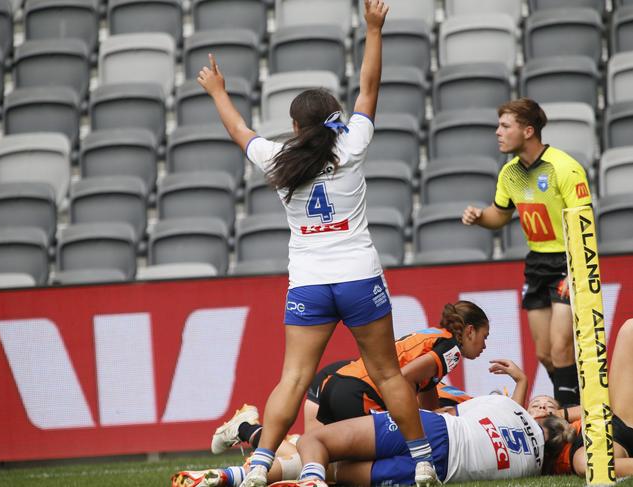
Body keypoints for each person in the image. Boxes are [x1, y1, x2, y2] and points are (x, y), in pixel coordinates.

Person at [196, 1, 440, 486]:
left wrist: (218, 91)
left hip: (309, 283)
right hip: (358, 276)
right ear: (333, 120)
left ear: (294, 127)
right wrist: (373, 28)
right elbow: (369, 88)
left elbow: (238, 131)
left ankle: (259, 467)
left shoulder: (276, 158)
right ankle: (424, 462)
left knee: (292, 379)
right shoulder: (351, 144)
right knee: (389, 374)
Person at [172, 363, 538, 487]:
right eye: (541, 400)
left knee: (328, 465)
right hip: (367, 394)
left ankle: (232, 467)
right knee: (314, 445)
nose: (541, 405)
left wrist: (521, 389)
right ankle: (248, 431)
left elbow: (520, 421)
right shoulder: (467, 400)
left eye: (545, 405)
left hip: (402, 417)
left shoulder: (481, 409)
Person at [210, 302, 490, 455]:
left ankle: (245, 429)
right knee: (347, 462)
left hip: (340, 383)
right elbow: (404, 379)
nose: (485, 346)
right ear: (468, 331)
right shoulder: (450, 349)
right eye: (484, 337)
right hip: (360, 393)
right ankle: (245, 430)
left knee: (311, 454)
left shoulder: (434, 337)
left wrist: (430, 415)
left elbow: (424, 389)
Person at [461, 97, 592, 407]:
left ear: (529, 131)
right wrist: (481, 217)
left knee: (562, 348)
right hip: (536, 262)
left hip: (568, 260)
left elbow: (583, 221)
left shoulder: (565, 168)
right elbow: (500, 215)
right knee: (545, 354)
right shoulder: (509, 173)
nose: (498, 132)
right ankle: (579, 403)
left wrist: (580, 267)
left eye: (505, 126)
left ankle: (570, 418)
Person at [529, 319, 633, 478]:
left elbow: (603, 407)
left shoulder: (569, 416)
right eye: (535, 405)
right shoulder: (576, 457)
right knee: (587, 463)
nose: (542, 407)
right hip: (617, 437)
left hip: (616, 418)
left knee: (629, 329)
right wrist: (521, 382)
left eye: (549, 404)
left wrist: (559, 414)